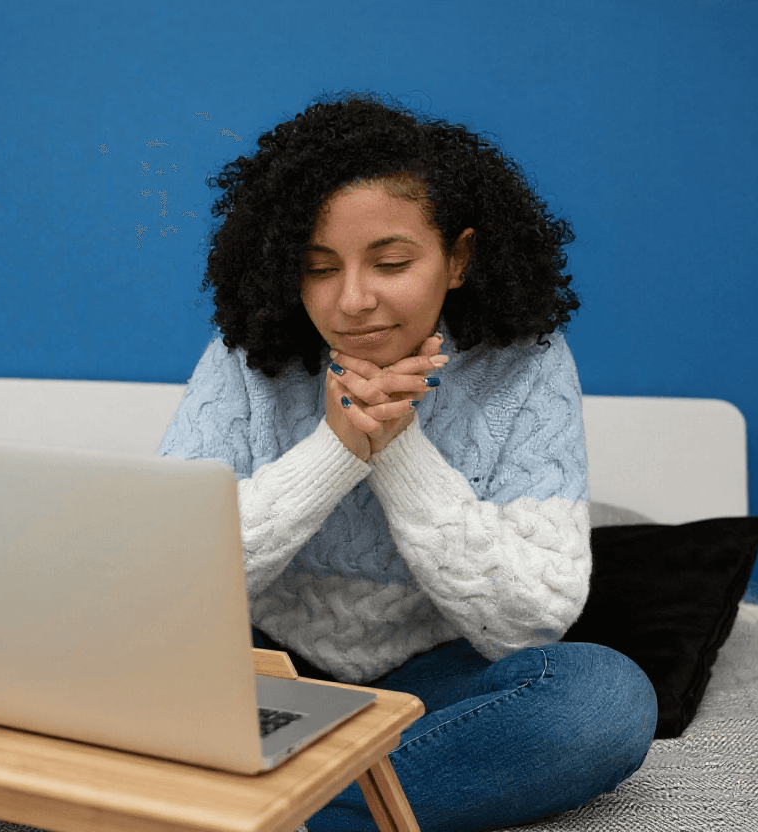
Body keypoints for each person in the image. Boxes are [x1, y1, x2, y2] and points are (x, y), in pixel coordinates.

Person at [158, 92, 657, 832]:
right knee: (60, 641)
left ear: (457, 258)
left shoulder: (527, 367)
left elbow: (529, 620)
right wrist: (333, 451)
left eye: (390, 261)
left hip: (434, 681)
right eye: (318, 268)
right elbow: (166, 584)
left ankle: (247, 818)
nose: (352, 300)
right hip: (261, 670)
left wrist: (395, 447)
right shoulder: (247, 356)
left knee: (606, 700)